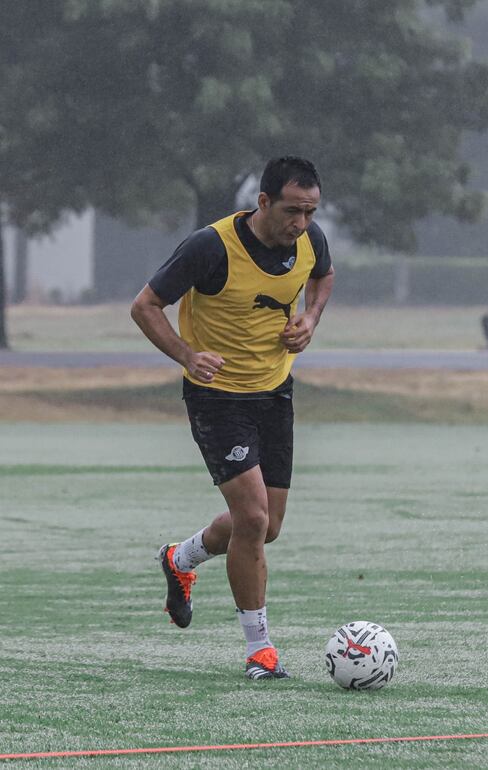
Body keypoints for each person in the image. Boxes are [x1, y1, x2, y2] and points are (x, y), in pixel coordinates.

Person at [130, 156, 334, 680]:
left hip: (274, 393)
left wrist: (309, 319)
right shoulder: (210, 246)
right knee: (253, 518)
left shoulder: (311, 241)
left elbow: (324, 277)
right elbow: (145, 306)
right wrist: (185, 354)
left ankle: (181, 558)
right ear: (263, 202)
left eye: (310, 211)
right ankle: (260, 651)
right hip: (217, 397)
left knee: (267, 527)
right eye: (292, 210)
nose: (301, 223)